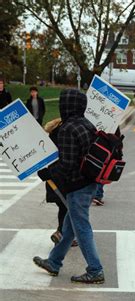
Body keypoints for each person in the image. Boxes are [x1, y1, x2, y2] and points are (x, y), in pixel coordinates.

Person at [33, 89, 105, 284]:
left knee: (81, 227)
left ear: (67, 106)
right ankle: (54, 262)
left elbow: (67, 163)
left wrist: (48, 174)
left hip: (77, 185)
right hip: (90, 182)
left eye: (63, 103)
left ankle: (95, 269)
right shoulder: (87, 124)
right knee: (70, 226)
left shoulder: (67, 129)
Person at [43, 118, 78, 247]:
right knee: (68, 207)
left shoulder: (53, 135)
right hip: (63, 176)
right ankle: (61, 233)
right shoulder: (66, 134)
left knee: (63, 207)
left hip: (53, 176)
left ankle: (63, 234)